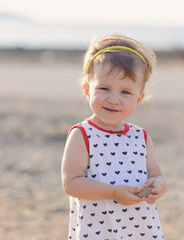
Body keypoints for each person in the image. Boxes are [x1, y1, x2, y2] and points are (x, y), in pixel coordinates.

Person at [61, 33, 167, 240]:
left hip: (140, 228)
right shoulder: (83, 134)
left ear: (139, 98)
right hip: (98, 231)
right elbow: (71, 183)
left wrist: (158, 186)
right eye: (104, 88)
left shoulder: (140, 136)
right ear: (87, 90)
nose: (113, 99)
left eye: (126, 92)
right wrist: (113, 192)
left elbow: (156, 174)